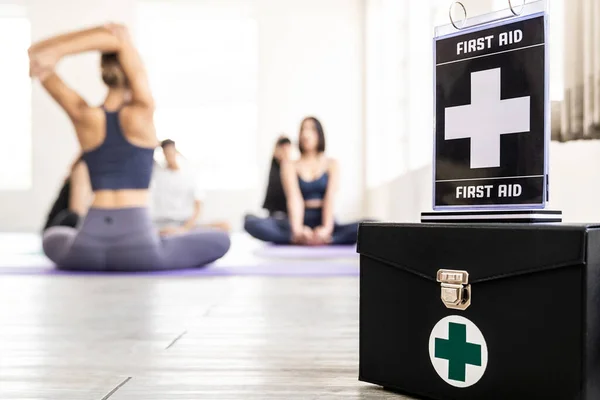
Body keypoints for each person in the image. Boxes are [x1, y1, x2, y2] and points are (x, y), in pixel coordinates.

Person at [30, 23, 231, 271]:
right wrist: (113, 36)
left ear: (103, 72)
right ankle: (163, 240)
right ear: (133, 70)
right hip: (139, 248)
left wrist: (59, 50)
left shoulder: (84, 116)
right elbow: (121, 40)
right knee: (221, 239)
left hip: (88, 247)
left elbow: (36, 57)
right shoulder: (142, 113)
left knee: (53, 238)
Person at [244, 117, 360, 245]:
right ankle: (298, 238)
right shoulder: (290, 165)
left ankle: (328, 239)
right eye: (302, 130)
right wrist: (298, 230)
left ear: (319, 134)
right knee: (249, 222)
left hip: (323, 218)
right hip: (297, 219)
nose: (305, 134)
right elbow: (294, 199)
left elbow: (330, 198)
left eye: (311, 129)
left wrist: (326, 229)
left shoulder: (331, 164)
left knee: (369, 225)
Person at [151, 139, 230, 235]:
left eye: (171, 152)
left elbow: (198, 206)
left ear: (177, 153)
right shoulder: (159, 173)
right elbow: (145, 151)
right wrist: (158, 144)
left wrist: (185, 228)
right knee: (166, 231)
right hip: (163, 222)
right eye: (166, 153)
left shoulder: (189, 174)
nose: (169, 156)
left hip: (185, 222)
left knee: (225, 225)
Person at [43, 154, 92, 232]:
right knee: (75, 218)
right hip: (56, 232)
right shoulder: (83, 167)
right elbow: (77, 211)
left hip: (62, 229)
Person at [261, 135, 292, 216]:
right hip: (274, 214)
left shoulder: (293, 169)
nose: (284, 152)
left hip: (288, 215)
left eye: (287, 149)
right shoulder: (275, 169)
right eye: (282, 148)